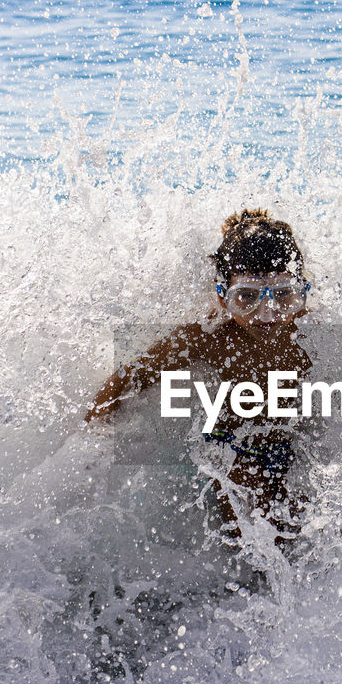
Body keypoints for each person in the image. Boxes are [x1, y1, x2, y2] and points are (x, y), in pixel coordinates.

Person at [84, 209, 312, 539]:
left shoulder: (316, 334)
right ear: (223, 297)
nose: (267, 313)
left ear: (300, 296)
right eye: (246, 297)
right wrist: (91, 444)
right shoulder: (208, 336)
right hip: (230, 445)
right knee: (249, 525)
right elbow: (128, 379)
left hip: (289, 441)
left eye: (282, 295)